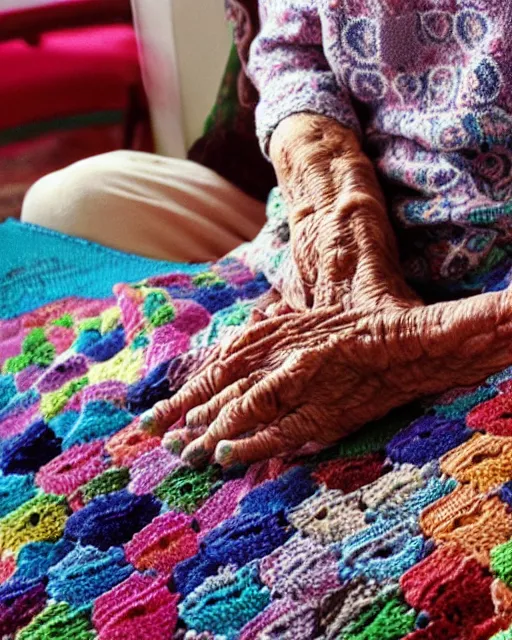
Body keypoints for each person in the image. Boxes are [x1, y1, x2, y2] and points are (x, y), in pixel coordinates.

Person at [21, 0, 512, 466]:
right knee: (69, 201)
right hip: (350, 203)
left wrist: (411, 345)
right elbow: (291, 56)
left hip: (495, 270)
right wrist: (339, 226)